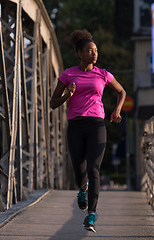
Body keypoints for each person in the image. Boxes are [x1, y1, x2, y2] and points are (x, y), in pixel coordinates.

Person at [50, 29, 126, 232]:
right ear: (79, 53)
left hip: (96, 125)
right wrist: (68, 95)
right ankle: (82, 190)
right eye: (90, 50)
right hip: (75, 126)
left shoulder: (103, 74)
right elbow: (53, 103)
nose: (94, 53)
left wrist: (117, 109)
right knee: (79, 170)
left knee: (94, 168)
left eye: (96, 50)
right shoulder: (68, 74)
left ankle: (91, 214)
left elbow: (121, 91)